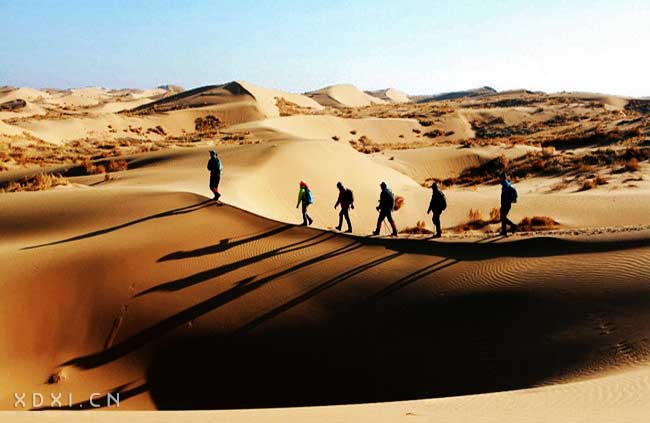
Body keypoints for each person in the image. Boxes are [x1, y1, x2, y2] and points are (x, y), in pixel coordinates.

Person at [499, 171, 518, 236]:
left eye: (500, 178)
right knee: (503, 217)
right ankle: (504, 231)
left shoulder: (505, 185)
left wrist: (504, 205)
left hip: (506, 204)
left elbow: (506, 196)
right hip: (505, 204)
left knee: (503, 218)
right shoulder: (505, 183)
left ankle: (513, 226)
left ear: (503, 178)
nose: (499, 179)